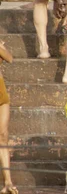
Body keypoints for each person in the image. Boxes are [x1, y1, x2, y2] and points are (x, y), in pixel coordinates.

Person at [0, 42, 16, 194]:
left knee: (3, 136)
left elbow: (9, 58)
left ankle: (8, 182)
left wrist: (2, 48)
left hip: (1, 93)